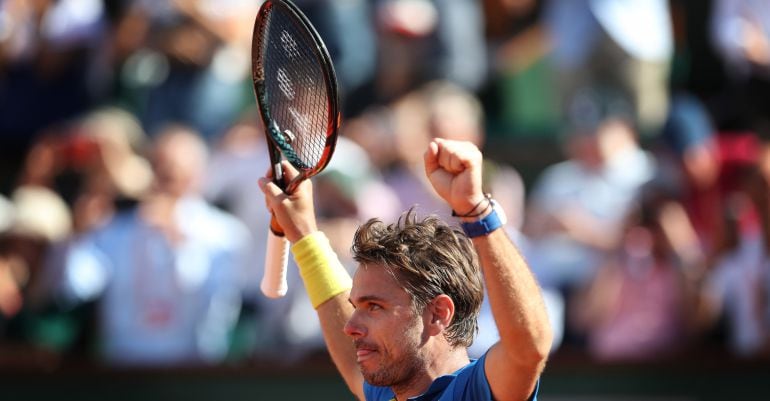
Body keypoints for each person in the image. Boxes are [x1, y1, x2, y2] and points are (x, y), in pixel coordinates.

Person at [259, 138, 551, 401]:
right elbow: (351, 363)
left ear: (437, 313)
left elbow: (529, 348)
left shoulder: (472, 393)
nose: (350, 326)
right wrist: (305, 235)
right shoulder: (387, 388)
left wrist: (476, 211)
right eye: (356, 306)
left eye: (374, 306)